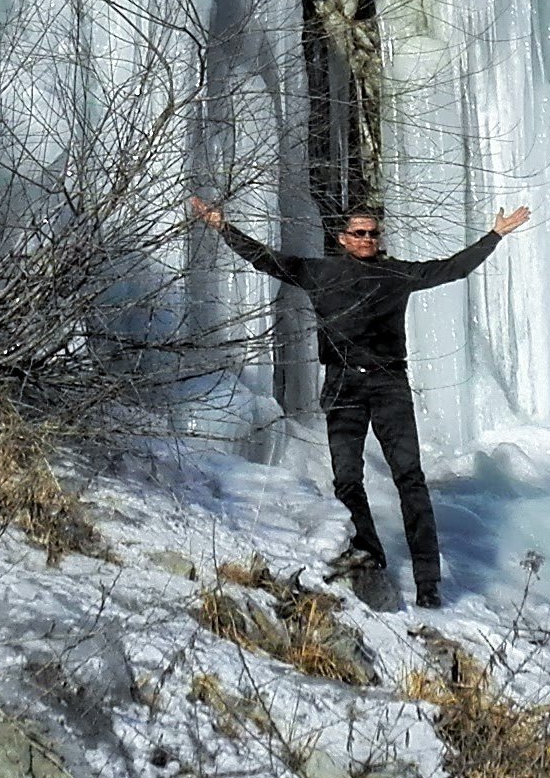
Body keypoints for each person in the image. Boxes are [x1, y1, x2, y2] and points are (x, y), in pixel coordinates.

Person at [190, 193, 531, 609]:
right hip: (343, 386)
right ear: (343, 238)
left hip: (390, 385)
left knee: (411, 479)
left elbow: (451, 269)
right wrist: (222, 227)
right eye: (360, 233)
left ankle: (429, 584)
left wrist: (493, 235)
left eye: (373, 233)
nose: (368, 238)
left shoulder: (395, 273)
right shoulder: (319, 273)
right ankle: (372, 557)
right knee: (347, 480)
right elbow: (265, 259)